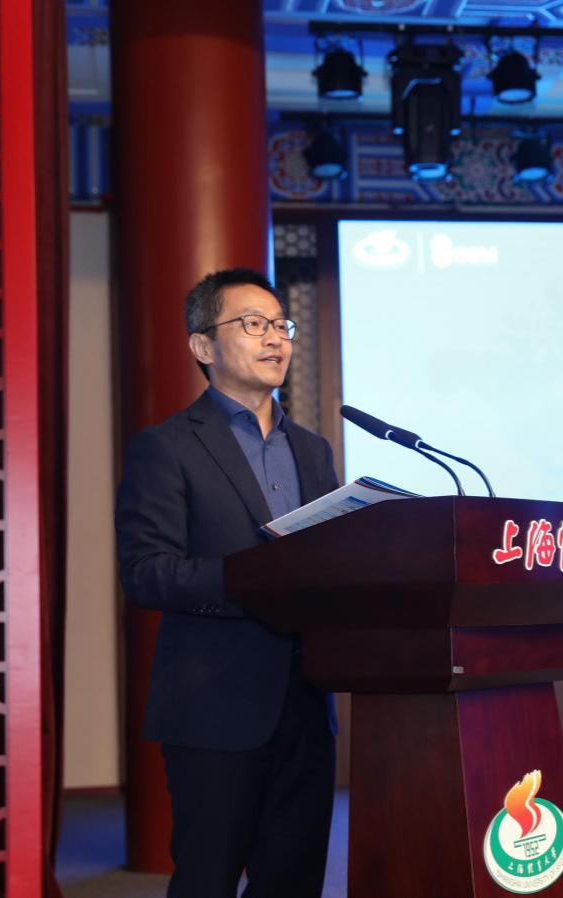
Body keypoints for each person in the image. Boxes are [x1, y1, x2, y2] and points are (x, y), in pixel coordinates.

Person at [114, 268, 339, 898]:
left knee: (294, 882)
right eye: (253, 324)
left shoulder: (314, 451)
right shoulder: (166, 448)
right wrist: (257, 577)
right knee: (207, 882)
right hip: (213, 707)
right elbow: (146, 573)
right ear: (203, 346)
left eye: (281, 325)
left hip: (306, 702)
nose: (275, 339)